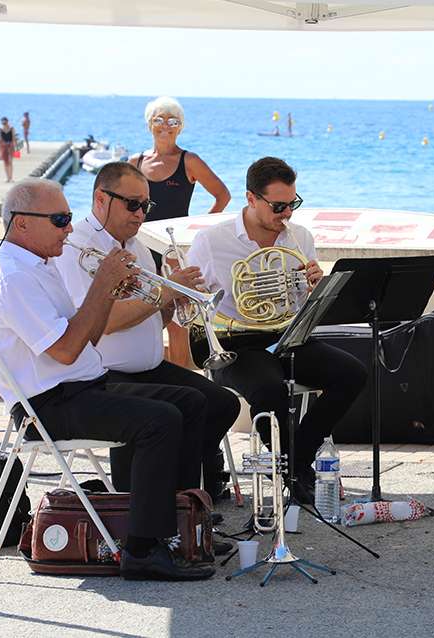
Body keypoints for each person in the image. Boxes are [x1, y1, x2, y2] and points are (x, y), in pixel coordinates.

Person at [0, 179, 213, 580]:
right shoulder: (11, 277)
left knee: (191, 401)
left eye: (68, 218)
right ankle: (141, 549)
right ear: (21, 224)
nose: (70, 229)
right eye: (60, 219)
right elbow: (65, 351)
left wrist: (109, 292)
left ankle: (179, 528)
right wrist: (102, 283)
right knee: (160, 420)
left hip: (80, 386)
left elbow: (90, 336)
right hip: (48, 404)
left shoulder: (41, 267)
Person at [54, 162, 241, 501]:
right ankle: (165, 498)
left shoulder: (137, 247)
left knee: (222, 403)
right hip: (106, 372)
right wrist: (166, 291)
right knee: (187, 406)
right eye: (132, 204)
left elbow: (155, 315)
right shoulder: (77, 248)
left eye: (146, 206)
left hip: (148, 366)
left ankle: (186, 492)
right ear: (100, 198)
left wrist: (177, 300)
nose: (141, 214)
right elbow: (103, 323)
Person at [186, 156, 366, 504]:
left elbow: (302, 307)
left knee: (353, 373)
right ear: (251, 199)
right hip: (235, 343)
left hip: (286, 336)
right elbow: (191, 303)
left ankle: (295, 462)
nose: (287, 214)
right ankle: (297, 471)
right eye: (279, 206)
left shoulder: (299, 237)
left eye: (293, 204)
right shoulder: (212, 241)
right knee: (269, 389)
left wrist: (316, 289)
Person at [130, 96, 231, 369]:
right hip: (139, 247)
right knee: (139, 315)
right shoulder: (135, 161)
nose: (166, 126)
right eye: (159, 120)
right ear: (149, 124)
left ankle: (182, 377)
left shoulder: (189, 161)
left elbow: (222, 195)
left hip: (172, 251)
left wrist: (196, 232)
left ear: (181, 127)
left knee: (177, 322)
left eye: (173, 121)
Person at [0, 117, 16, 182]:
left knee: (10, 161)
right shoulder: (0, 129)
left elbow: (13, 138)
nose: (4, 124)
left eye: (5, 122)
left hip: (10, 146)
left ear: (7, 122)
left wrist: (15, 147)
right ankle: (8, 177)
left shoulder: (12, 128)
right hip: (3, 147)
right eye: (3, 123)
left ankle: (11, 177)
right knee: (5, 162)